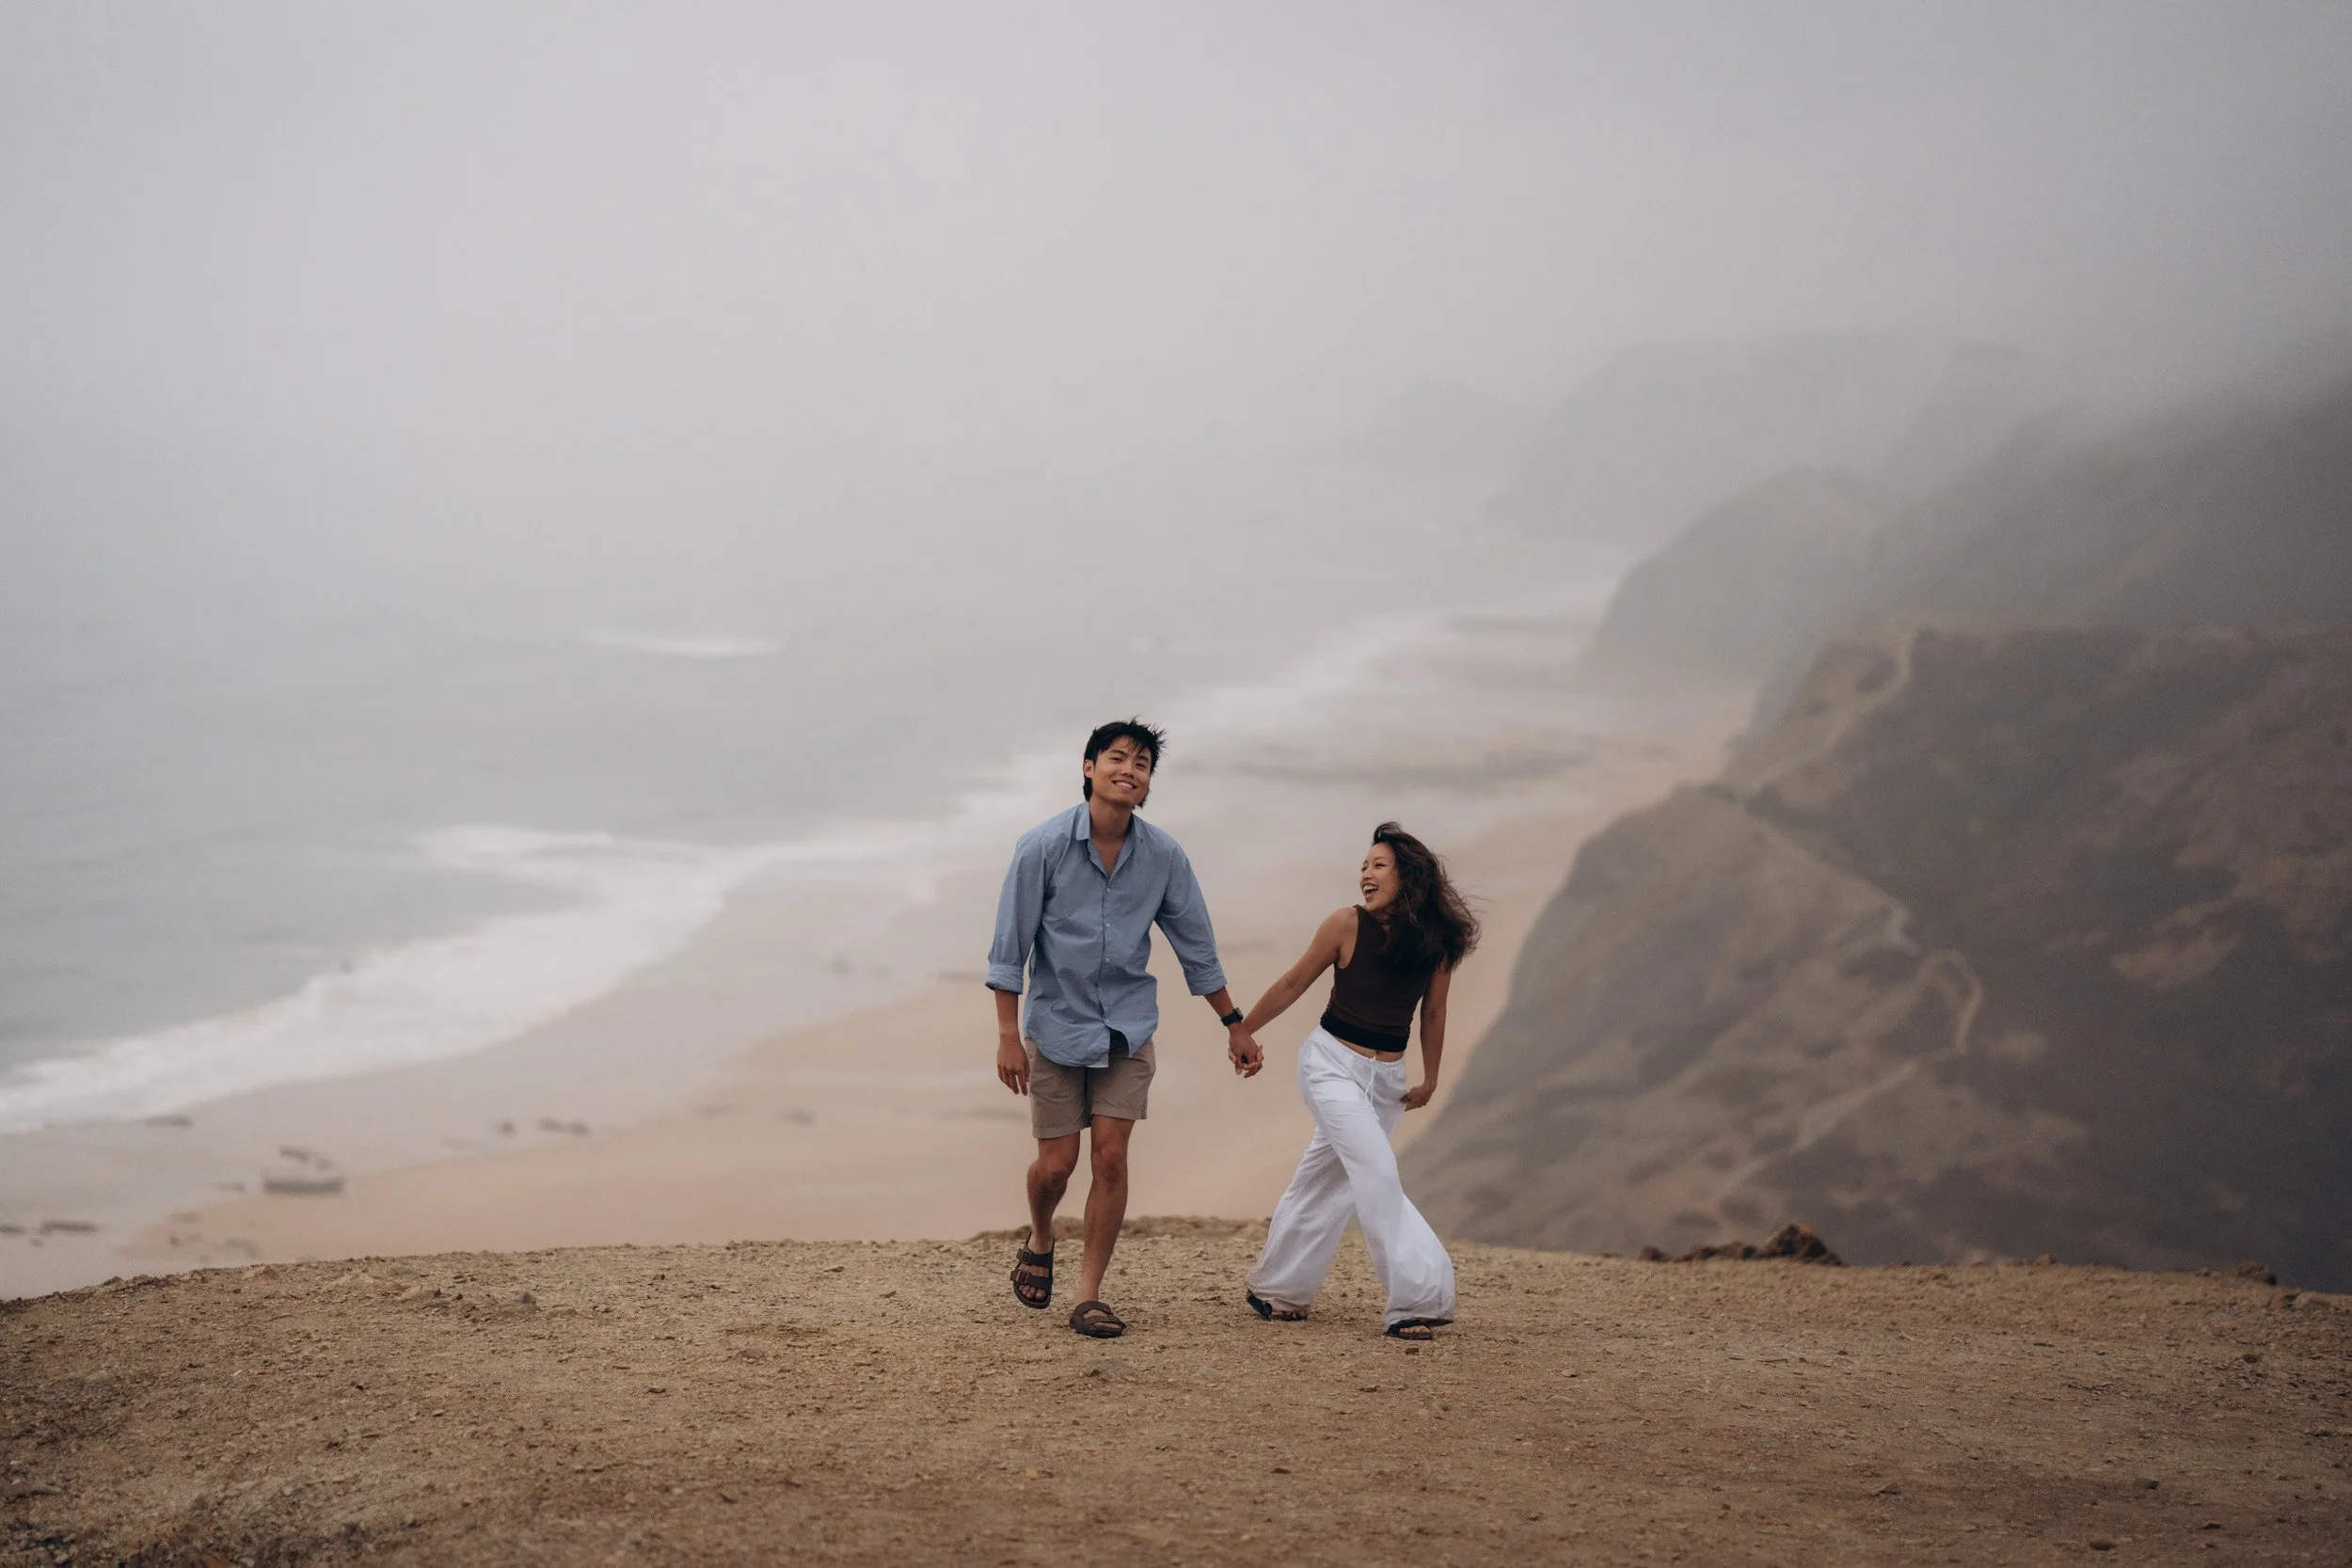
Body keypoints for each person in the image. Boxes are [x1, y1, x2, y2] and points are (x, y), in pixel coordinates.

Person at [987, 719, 1263, 1338]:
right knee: (1056, 1166)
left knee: (1110, 1158)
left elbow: (1197, 947)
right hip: (1056, 1025)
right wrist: (1008, 1034)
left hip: (1127, 1028)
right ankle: (1039, 1234)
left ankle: (1088, 1295)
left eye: (1142, 764)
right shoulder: (1043, 847)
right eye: (1117, 758)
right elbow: (1009, 947)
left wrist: (1234, 1023)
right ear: (1088, 767)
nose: (1129, 769)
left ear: (1146, 785)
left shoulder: (1163, 856)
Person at [1237, 822, 1479, 1339]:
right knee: (1376, 1170)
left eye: (1378, 865)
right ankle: (1415, 1298)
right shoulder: (1345, 924)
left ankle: (1276, 1289)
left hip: (1388, 1078)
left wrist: (1430, 1079)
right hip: (1330, 1065)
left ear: (1408, 876)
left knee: (1325, 1180)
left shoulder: (1438, 943)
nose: (1365, 874)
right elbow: (1294, 981)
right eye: (1364, 866)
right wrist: (1242, 1030)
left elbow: (1433, 1014)